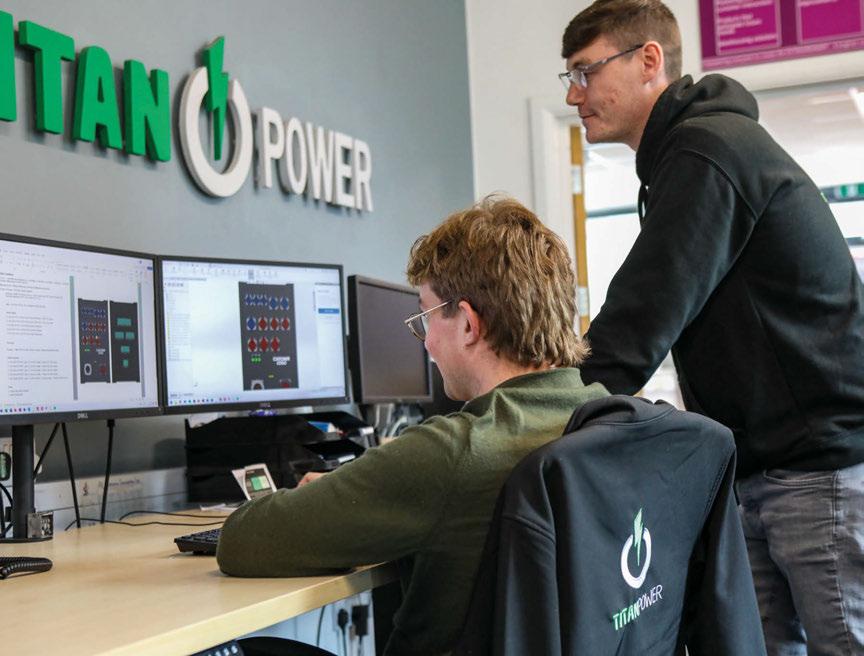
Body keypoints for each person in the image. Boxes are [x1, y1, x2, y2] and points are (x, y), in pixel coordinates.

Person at [558, 1, 864, 654]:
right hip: (763, 469)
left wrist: (543, 408)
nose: (574, 95)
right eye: (570, 78)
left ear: (649, 60)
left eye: (586, 72)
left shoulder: (707, 151)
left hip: (816, 472)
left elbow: (640, 318)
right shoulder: (685, 156)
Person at [216, 196, 608, 655]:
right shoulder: (609, 419)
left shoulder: (453, 451)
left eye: (425, 319)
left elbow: (242, 542)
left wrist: (335, 496)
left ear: (467, 324)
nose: (425, 344)